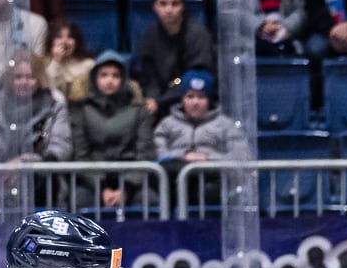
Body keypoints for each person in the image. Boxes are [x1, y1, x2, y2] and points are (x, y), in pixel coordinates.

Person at [68, 49, 153, 209]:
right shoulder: (81, 109)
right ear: (95, 78)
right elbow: (80, 155)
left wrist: (126, 189)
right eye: (104, 75)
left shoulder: (138, 109)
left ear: (124, 79)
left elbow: (145, 153)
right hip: (93, 180)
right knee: (78, 200)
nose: (109, 81)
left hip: (131, 180)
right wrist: (102, 188)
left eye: (116, 76)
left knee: (150, 200)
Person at [132, 0, 213, 117]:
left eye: (174, 4)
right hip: (160, 99)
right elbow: (150, 77)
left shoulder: (198, 35)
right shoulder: (149, 36)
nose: (169, 10)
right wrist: (153, 98)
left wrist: (163, 98)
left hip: (191, 99)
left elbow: (194, 75)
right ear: (155, 7)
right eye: (163, 4)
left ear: (183, 6)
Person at [0, 51, 69, 162]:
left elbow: (60, 146)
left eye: (30, 77)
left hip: (40, 169)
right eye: (18, 77)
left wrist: (30, 161)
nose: (24, 82)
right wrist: (4, 165)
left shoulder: (55, 108)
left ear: (39, 79)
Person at [152, 67, 241, 163]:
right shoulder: (166, 124)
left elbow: (241, 156)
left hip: (214, 172)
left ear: (209, 100)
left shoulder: (225, 125)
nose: (195, 102)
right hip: (175, 171)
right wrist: (183, 156)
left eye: (201, 97)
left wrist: (208, 158)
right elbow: (156, 153)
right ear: (182, 99)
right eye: (190, 96)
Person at [42, 17, 93, 99]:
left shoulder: (88, 64)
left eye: (69, 37)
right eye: (59, 37)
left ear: (76, 41)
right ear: (51, 41)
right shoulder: (43, 64)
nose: (64, 41)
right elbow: (48, 91)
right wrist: (56, 61)